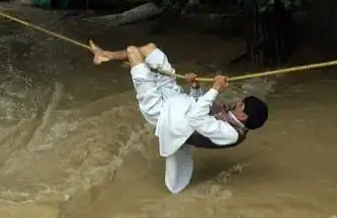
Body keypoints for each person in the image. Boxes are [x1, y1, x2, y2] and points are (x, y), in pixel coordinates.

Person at [89, 40, 268, 193]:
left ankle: (105, 55)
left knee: (132, 51)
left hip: (162, 113)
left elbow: (196, 119)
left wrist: (215, 89)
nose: (236, 103)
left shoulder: (230, 134)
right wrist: (196, 86)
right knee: (151, 50)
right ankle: (104, 55)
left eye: (240, 105)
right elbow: (199, 106)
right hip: (177, 101)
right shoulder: (230, 117)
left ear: (243, 116)